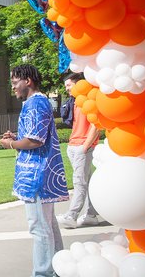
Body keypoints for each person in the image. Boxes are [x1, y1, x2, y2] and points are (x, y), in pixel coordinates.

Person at [0, 64, 68, 277]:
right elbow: (32, 136)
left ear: (27, 81)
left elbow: (33, 141)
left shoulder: (36, 104)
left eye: (15, 83)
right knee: (47, 224)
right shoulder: (36, 102)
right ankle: (59, 267)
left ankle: (44, 273)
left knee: (39, 227)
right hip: (38, 173)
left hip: (36, 175)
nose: (13, 88)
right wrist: (16, 138)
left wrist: (10, 144)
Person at [57, 73, 100, 228]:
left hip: (83, 147)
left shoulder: (89, 100)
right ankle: (91, 215)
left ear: (78, 84)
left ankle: (72, 215)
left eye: (69, 85)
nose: (66, 88)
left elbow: (96, 124)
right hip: (74, 146)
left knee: (79, 182)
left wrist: (85, 146)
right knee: (86, 182)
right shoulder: (74, 102)